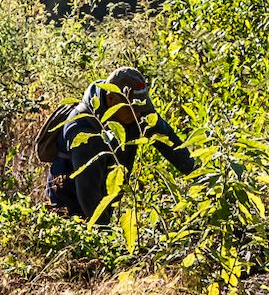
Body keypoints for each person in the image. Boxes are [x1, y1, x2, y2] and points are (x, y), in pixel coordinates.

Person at [45, 66, 196, 223]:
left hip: (101, 194)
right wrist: (105, 236)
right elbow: (88, 193)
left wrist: (201, 176)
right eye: (132, 109)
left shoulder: (135, 108)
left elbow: (170, 143)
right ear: (111, 99)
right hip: (69, 203)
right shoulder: (85, 129)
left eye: (141, 108)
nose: (138, 115)